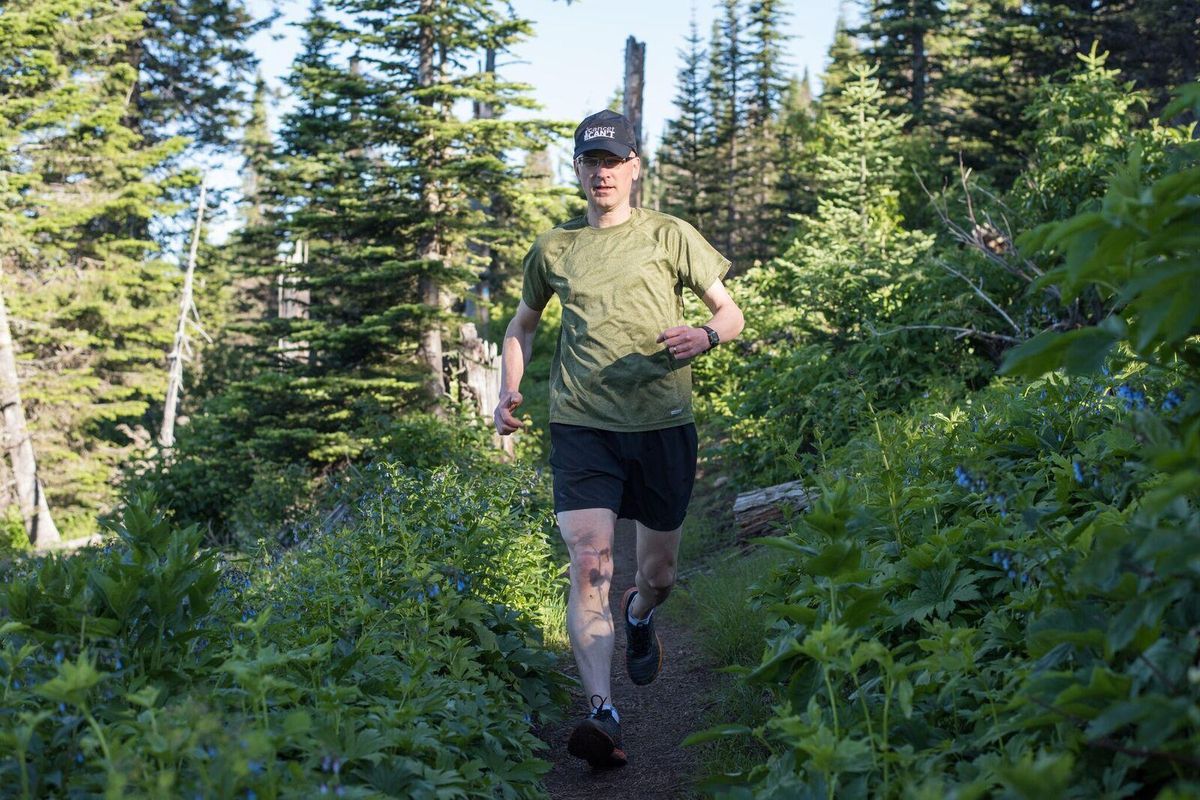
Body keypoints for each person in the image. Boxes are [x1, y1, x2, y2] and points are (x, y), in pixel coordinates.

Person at [493, 109, 744, 768]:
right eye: (590, 161)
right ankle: (602, 712)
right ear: (577, 170)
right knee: (589, 564)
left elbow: (731, 311)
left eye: (613, 161)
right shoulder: (554, 249)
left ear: (634, 167)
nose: (601, 172)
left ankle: (640, 617)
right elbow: (520, 328)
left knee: (656, 575)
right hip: (581, 425)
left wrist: (707, 335)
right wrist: (507, 390)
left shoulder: (671, 235)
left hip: (662, 425)